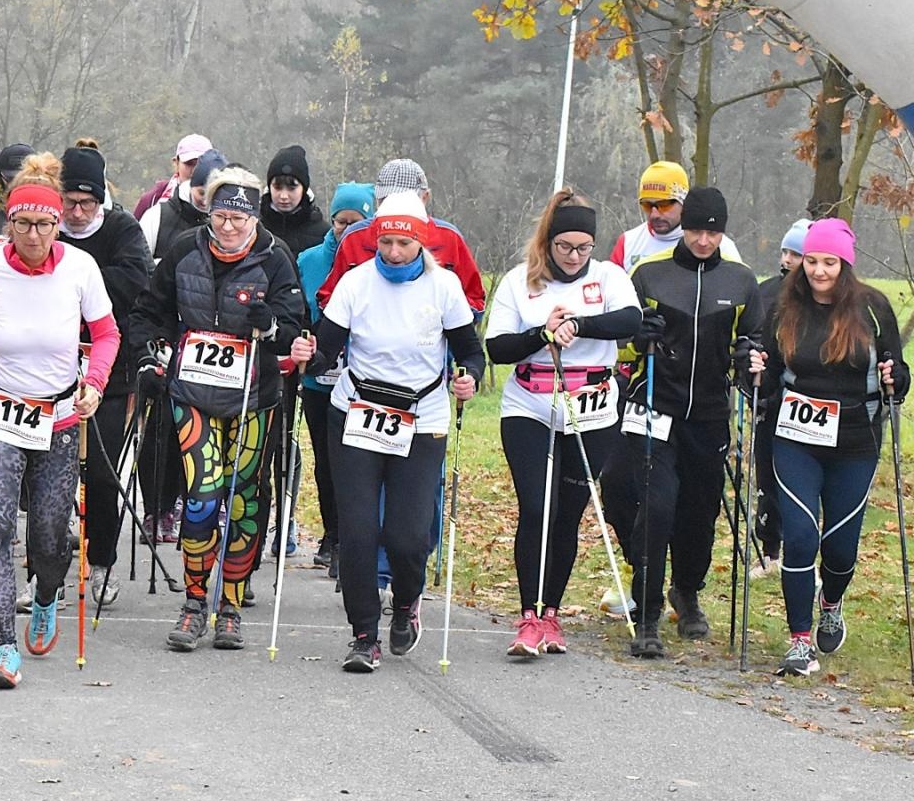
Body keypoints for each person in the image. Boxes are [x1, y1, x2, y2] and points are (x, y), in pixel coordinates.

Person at [0, 154, 120, 689]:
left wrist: (95, 384)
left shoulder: (80, 269)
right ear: (9, 222)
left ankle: (45, 594)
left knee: (48, 535)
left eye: (44, 224)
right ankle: (3, 648)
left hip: (58, 416)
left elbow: (106, 334)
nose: (34, 235)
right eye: (23, 224)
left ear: (58, 223)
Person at [291, 190, 484, 672]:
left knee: (406, 536)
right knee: (358, 532)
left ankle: (405, 602)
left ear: (421, 243)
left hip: (422, 417)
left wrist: (470, 378)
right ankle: (363, 635)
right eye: (386, 243)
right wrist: (307, 355)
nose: (394, 253)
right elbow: (327, 349)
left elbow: (469, 350)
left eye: (404, 243)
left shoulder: (444, 287)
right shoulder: (356, 283)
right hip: (356, 412)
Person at [127, 165, 305, 651]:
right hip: (194, 394)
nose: (228, 227)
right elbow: (149, 311)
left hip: (254, 397)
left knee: (243, 500)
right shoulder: (185, 248)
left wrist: (271, 326)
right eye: (220, 216)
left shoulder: (276, 257)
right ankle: (193, 602)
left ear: (255, 219)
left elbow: (295, 327)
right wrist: (149, 355)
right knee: (202, 496)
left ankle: (230, 605)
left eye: (238, 220)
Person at [484, 190, 641, 657]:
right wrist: (542, 333)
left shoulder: (609, 277)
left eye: (583, 248)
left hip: (591, 409)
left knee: (568, 513)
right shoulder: (520, 281)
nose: (574, 257)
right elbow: (498, 348)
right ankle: (528, 616)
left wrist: (579, 324)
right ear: (548, 243)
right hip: (530, 405)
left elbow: (630, 320)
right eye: (565, 247)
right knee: (537, 507)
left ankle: (551, 612)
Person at [759, 218, 908, 677]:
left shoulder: (873, 308)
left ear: (845, 265)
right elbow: (765, 371)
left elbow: (899, 373)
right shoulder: (784, 308)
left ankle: (831, 602)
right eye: (811, 261)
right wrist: (752, 369)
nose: (819, 271)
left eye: (829, 262)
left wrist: (896, 378)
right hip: (796, 439)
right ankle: (800, 641)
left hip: (856, 442)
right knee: (800, 537)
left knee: (840, 549)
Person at [621, 186, 760, 659]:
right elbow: (620, 343)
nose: (704, 240)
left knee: (699, 512)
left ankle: (686, 591)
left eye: (713, 232)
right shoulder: (649, 274)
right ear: (684, 227)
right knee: (656, 508)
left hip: (710, 413)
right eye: (697, 230)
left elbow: (756, 342)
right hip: (655, 407)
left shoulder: (740, 281)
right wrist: (637, 338)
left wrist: (749, 356)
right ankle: (646, 612)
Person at [57, 144, 153, 608]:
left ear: (101, 200)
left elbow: (134, 282)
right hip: (49, 366)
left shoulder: (122, 229)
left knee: (100, 473)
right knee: (50, 477)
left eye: (87, 203)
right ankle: (47, 568)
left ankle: (101, 562)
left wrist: (74, 282)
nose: (77, 213)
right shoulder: (43, 227)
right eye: (69, 202)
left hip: (108, 368)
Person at [137, 147, 229, 546]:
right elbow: (144, 279)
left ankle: (196, 503)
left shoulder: (234, 229)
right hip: (171, 338)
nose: (206, 202)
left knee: (203, 429)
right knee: (161, 429)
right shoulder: (160, 216)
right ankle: (156, 507)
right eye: (201, 192)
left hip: (215, 350)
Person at [253, 145, 330, 566]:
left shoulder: (319, 230)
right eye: (277, 186)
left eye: (292, 186)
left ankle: (287, 518)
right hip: (263, 345)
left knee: (290, 441)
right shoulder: (256, 225)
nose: (283, 195)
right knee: (266, 440)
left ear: (305, 188)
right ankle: (258, 521)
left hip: (305, 347)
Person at [297, 182, 374, 579]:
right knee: (325, 462)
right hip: (319, 378)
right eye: (340, 222)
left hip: (359, 380)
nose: (346, 230)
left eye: (355, 223)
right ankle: (331, 534)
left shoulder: (375, 260)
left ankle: (352, 540)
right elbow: (299, 307)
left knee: (354, 464)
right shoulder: (311, 259)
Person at [316, 158, 486, 313]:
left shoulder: (449, 238)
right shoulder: (354, 238)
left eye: (405, 202)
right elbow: (328, 298)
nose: (395, 209)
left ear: (425, 198)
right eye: (386, 201)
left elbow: (475, 299)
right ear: (377, 200)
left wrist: (445, 319)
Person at [747, 216, 813, 576]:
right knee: (766, 476)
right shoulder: (766, 291)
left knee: (801, 481)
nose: (788, 260)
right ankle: (769, 551)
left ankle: (802, 554)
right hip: (769, 401)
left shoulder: (821, 299)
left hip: (806, 403)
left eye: (796, 254)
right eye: (786, 252)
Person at [607, 160, 740, 274]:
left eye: (664, 205)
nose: (654, 214)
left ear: (684, 202)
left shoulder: (719, 246)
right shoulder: (628, 243)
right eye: (647, 205)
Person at [133, 132, 212, 221]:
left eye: (201, 164)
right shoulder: (153, 199)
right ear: (176, 163)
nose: (195, 170)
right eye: (189, 163)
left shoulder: (221, 201)